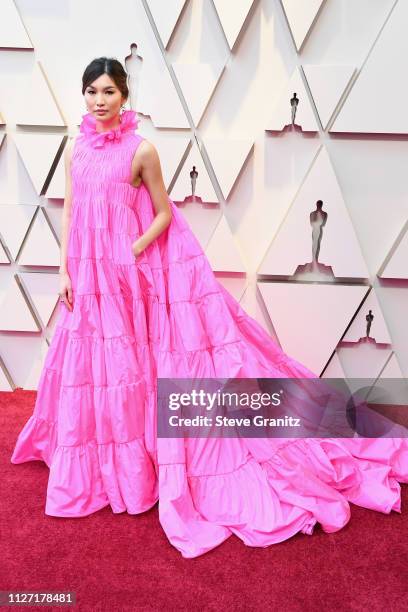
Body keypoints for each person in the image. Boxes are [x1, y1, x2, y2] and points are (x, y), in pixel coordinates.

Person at [11, 57, 408, 559]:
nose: (98, 101)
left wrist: (131, 251)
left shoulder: (142, 151)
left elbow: (161, 214)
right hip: (87, 274)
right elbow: (71, 209)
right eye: (91, 91)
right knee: (96, 366)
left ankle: (144, 463)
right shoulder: (78, 148)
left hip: (127, 274)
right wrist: (65, 269)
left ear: (124, 95)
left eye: (108, 91)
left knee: (137, 367)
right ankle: (104, 462)